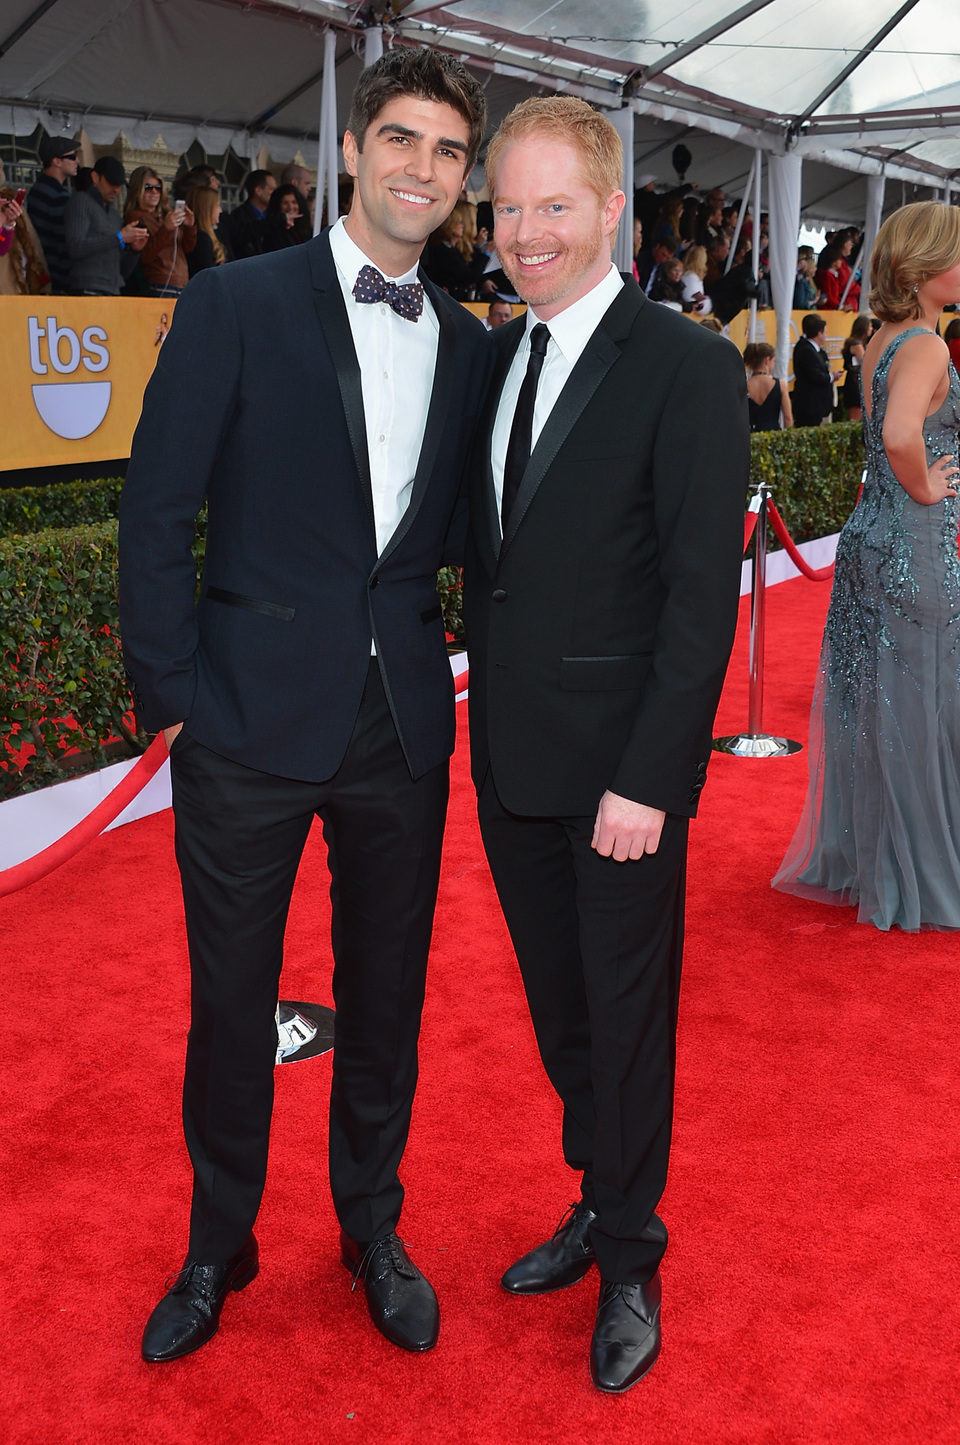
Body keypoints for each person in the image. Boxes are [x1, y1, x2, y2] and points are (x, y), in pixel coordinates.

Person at [118, 46, 488, 1364]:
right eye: (400, 139)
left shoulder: (466, 341)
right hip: (242, 726)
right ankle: (219, 1244)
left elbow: (476, 547)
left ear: (463, 179)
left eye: (447, 152)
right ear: (350, 147)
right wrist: (172, 700)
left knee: (386, 995)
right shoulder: (235, 302)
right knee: (231, 1004)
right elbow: (157, 510)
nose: (421, 170)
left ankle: (370, 1224)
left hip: (401, 729)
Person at [464, 96, 748, 1394]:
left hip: (621, 779)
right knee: (564, 1013)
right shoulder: (496, 359)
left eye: (552, 206)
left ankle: (632, 1251)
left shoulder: (681, 365)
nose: (524, 232)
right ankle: (598, 1191)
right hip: (514, 763)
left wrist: (652, 778)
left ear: (611, 212)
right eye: (508, 207)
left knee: (626, 1020)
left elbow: (702, 595)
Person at [773, 201, 960, 930]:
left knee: (879, 706)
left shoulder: (887, 335)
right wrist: (925, 485)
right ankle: (919, 871)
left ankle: (876, 860)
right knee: (919, 704)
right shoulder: (928, 346)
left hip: (868, 540)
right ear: (925, 264)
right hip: (911, 544)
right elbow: (897, 433)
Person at [63, 155, 147, 294]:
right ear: (95, 177)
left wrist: (134, 251)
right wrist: (119, 238)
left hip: (112, 290)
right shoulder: (81, 201)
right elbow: (75, 247)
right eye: (111, 182)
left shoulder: (114, 216)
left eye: (119, 185)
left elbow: (122, 271)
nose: (116, 189)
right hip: (86, 289)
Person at [124, 167, 196, 297]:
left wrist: (190, 227)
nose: (154, 192)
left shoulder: (166, 215)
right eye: (148, 187)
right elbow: (146, 256)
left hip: (182, 283)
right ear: (138, 189)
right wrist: (166, 229)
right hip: (160, 283)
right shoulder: (135, 217)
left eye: (158, 188)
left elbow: (187, 248)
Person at [26, 136, 79, 293]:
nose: (77, 161)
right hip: (57, 278)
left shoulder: (38, 190)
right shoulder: (58, 195)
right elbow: (65, 240)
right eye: (72, 157)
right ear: (56, 161)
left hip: (46, 275)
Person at [792, 313, 840, 426]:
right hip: (809, 405)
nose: (826, 335)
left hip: (815, 405)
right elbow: (814, 374)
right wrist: (831, 377)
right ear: (819, 333)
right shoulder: (806, 350)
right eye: (825, 332)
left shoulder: (815, 350)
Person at [222, 169, 276, 260]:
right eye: (271, 189)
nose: (275, 194)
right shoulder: (237, 217)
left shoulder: (275, 214)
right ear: (258, 190)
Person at [744, 341, 793, 431]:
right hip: (773, 437)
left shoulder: (745, 386)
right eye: (773, 361)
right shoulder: (780, 385)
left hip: (750, 437)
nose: (774, 365)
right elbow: (788, 417)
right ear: (767, 360)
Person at [185, 185, 225, 275]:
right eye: (217, 205)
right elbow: (208, 277)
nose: (220, 210)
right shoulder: (201, 238)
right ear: (207, 209)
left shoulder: (205, 235)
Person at [261, 182, 311, 250]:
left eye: (294, 202)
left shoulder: (305, 228)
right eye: (285, 203)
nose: (290, 207)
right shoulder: (272, 231)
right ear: (277, 206)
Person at [841, 314, 872, 420]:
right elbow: (865, 362)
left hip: (855, 380)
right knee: (856, 414)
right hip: (855, 383)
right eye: (869, 326)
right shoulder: (856, 344)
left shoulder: (858, 343)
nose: (871, 329)